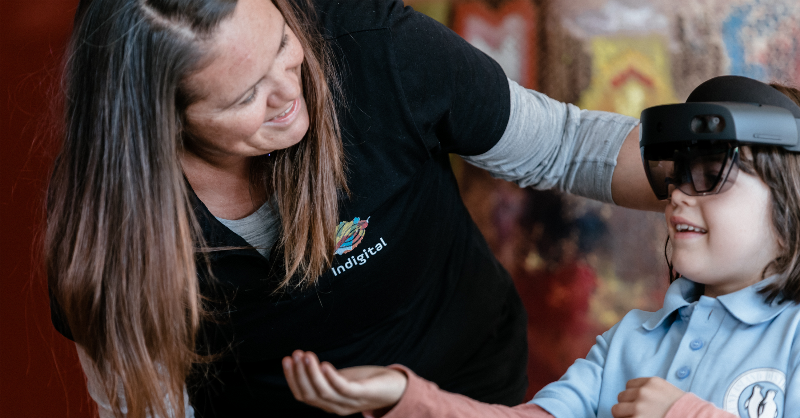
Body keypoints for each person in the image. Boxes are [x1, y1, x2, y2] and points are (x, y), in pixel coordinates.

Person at [45, 0, 658, 417]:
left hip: (460, 383)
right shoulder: (109, 234)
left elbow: (567, 145)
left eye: (283, 44)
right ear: (158, 124)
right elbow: (147, 404)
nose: (291, 91)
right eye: (246, 96)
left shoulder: (375, 48)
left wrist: (712, 174)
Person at [282, 76, 800, 418]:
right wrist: (407, 396)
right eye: (678, 177)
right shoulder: (628, 343)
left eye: (713, 178)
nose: (680, 195)